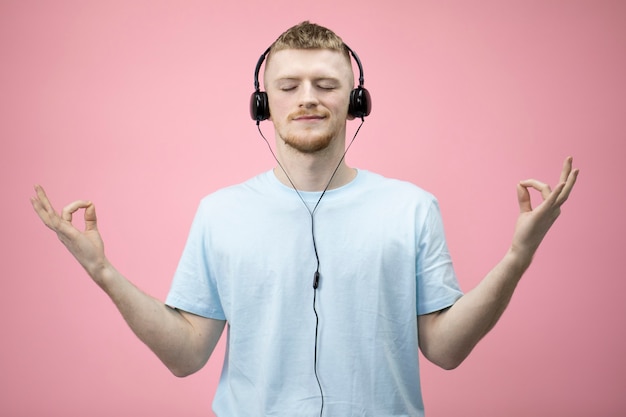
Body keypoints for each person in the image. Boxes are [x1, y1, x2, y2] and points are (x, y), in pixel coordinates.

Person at [31, 21, 578, 417]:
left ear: (355, 100)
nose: (306, 99)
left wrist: (518, 256)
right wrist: (104, 273)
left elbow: (445, 349)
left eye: (326, 84)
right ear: (263, 103)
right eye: (288, 87)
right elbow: (186, 355)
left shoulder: (411, 207)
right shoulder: (220, 212)